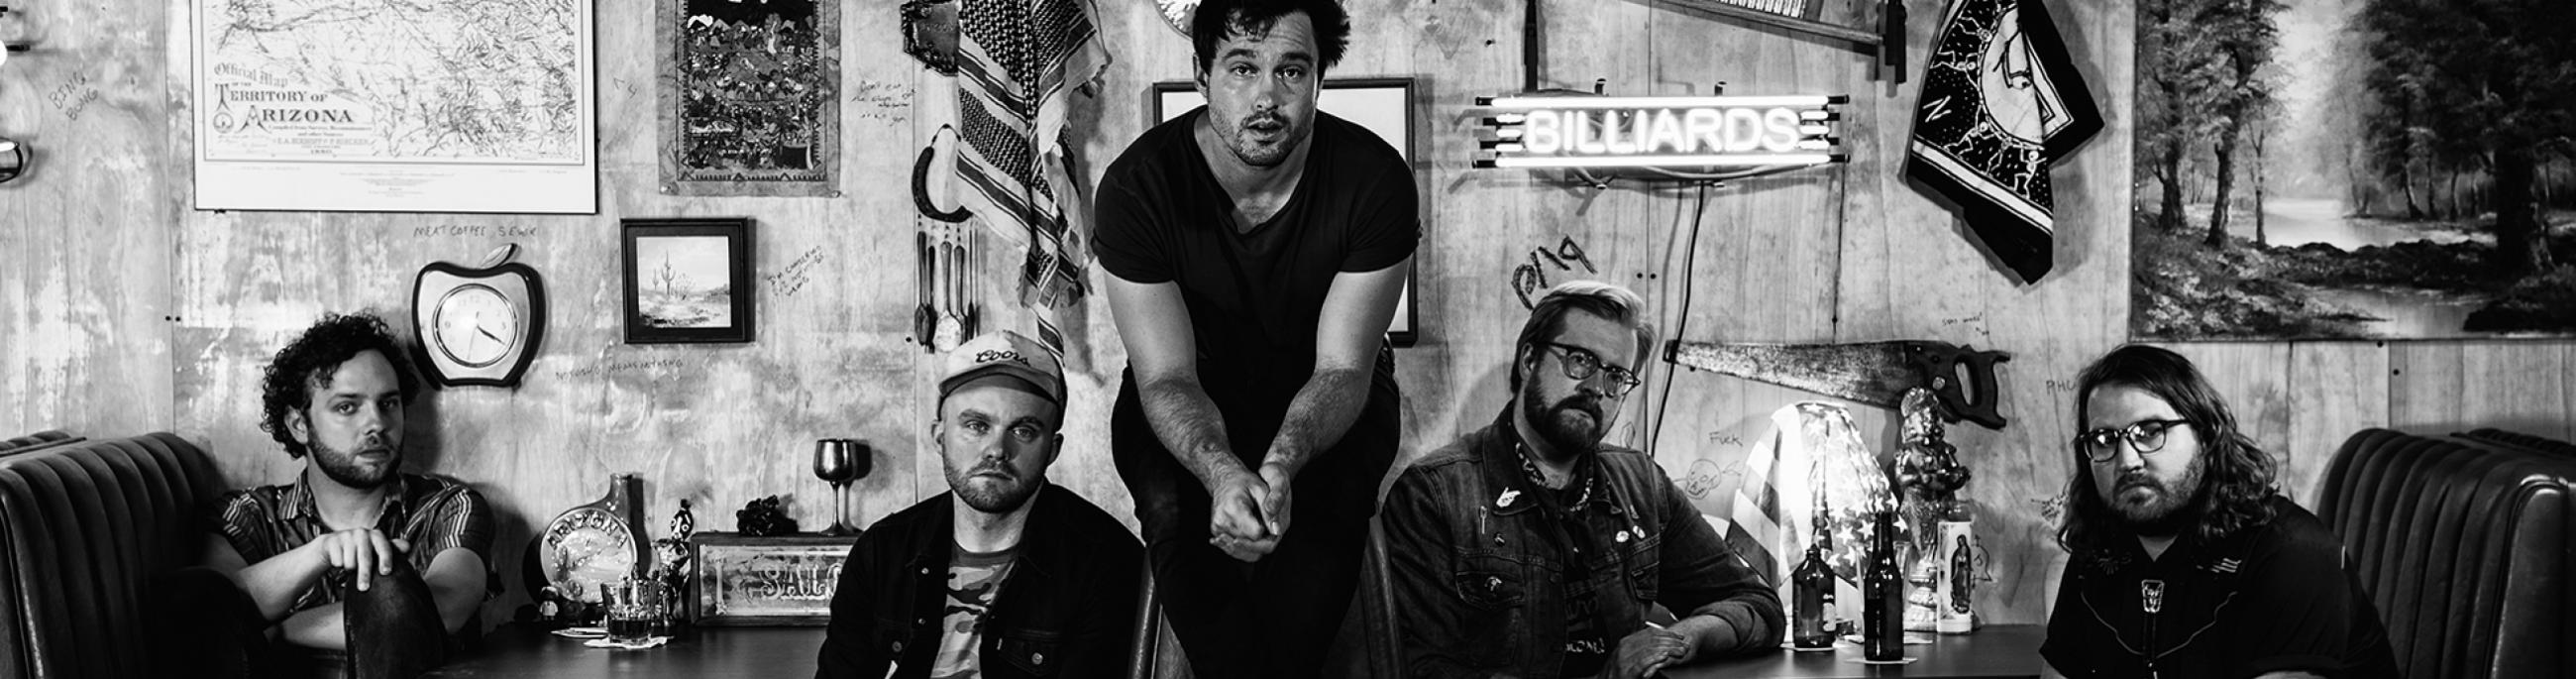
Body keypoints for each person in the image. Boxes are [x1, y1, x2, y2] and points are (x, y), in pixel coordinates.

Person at [1091, 0, 1416, 676]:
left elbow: (1343, 369)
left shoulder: (1374, 179)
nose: (1267, 96)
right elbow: (1166, 377)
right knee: (1176, 519)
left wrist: (1281, 463)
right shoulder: (1138, 186)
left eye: (1292, 70)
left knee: (1321, 544)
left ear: (1320, 79)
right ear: (1201, 74)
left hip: (1329, 396)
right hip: (1189, 385)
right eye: (1242, 67)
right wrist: (1220, 468)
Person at [1380, 282, 1784, 679]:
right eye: (1580, 360)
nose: (1595, 388)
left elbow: (1758, 604)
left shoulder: (1640, 485)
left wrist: (1679, 639)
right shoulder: (1434, 495)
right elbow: (1422, 666)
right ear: (1528, 360)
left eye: (1616, 377)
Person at [163, 312, 494, 679]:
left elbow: (446, 608)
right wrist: (320, 553)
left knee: (387, 580)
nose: (376, 424)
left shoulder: (447, 506)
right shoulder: (247, 515)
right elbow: (212, 610)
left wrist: (281, 627)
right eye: (347, 407)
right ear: (299, 425)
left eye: (388, 403)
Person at [2042, 345, 2398, 679]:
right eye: (2104, 439)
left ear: (2206, 434)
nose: (2127, 460)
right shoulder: (2099, 547)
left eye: (2151, 432)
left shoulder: (2290, 552)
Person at [816, 331, 1143, 679]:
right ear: (939, 436)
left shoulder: (1107, 561)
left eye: (1024, 430)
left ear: (1053, 449)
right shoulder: (883, 552)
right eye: (976, 425)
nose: (997, 450)